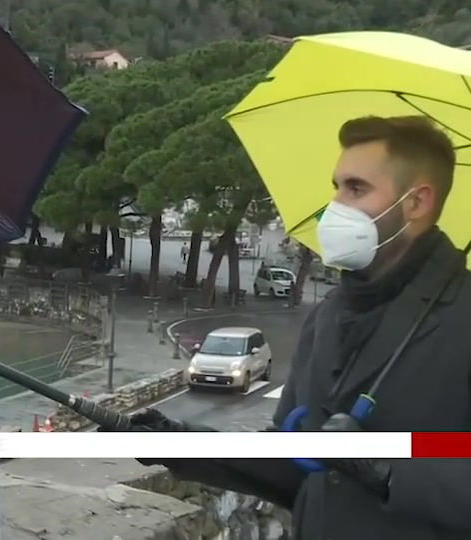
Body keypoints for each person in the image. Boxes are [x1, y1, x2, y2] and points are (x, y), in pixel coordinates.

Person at [112, 116, 471, 539]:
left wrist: (388, 467)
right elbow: (292, 460)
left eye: (356, 188)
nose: (335, 205)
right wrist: (178, 442)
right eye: (336, 186)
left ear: (417, 202)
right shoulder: (328, 316)